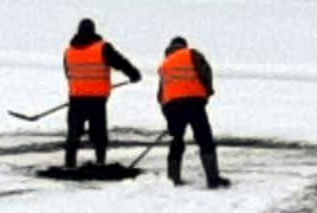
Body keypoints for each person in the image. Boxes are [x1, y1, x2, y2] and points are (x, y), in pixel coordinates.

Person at [63, 18, 141, 169]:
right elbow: (120, 63)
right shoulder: (102, 48)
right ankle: (100, 161)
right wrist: (134, 75)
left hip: (76, 98)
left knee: (73, 133)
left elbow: (68, 74)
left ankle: (69, 163)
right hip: (97, 100)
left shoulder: (69, 52)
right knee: (98, 133)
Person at [157, 36, 229, 189]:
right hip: (193, 102)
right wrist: (207, 93)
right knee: (204, 138)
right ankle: (212, 178)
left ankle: (173, 178)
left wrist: (169, 119)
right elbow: (205, 72)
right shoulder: (191, 54)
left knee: (176, 139)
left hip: (172, 106)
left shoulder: (164, 65)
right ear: (183, 46)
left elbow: (161, 95)